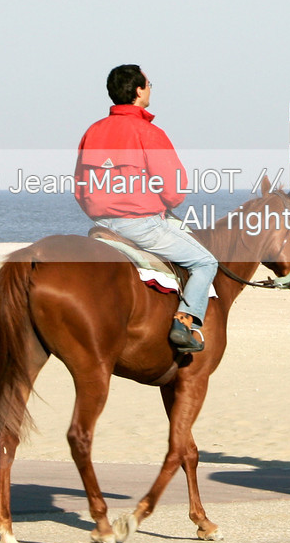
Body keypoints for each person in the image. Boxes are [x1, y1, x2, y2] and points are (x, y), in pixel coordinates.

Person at [74, 64, 218, 353]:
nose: (151, 88)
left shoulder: (93, 131)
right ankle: (184, 322)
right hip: (141, 224)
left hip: (101, 225)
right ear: (139, 91)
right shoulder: (148, 132)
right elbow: (174, 190)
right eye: (150, 83)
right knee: (205, 263)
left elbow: (80, 187)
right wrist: (162, 205)